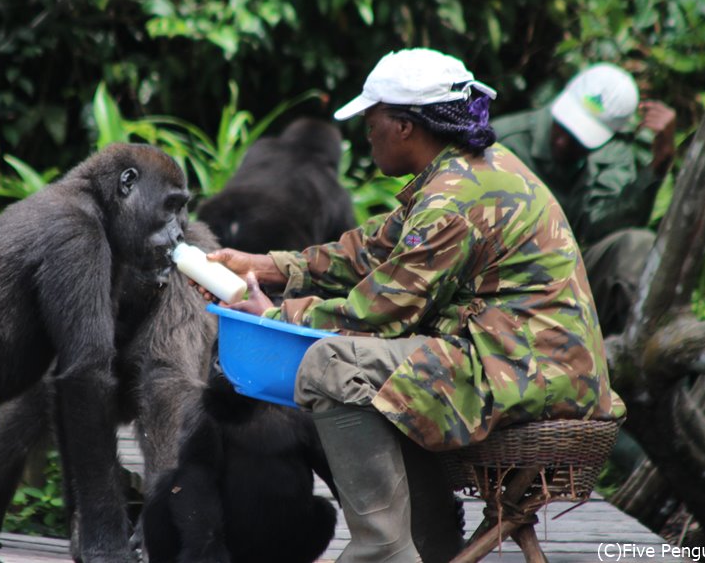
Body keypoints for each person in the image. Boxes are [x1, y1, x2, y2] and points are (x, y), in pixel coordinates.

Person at [200, 48, 625, 563]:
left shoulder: (452, 200)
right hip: (531, 365)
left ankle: (384, 550)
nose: (367, 132)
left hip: (528, 375)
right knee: (381, 367)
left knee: (332, 365)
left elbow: (376, 314)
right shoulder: (473, 171)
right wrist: (267, 265)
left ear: (404, 126)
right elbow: (369, 251)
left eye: (372, 119)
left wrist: (270, 315)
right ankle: (430, 542)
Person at [493, 64, 677, 335]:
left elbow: (603, 226)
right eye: (564, 127)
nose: (565, 142)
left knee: (637, 245)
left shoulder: (612, 156)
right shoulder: (503, 142)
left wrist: (656, 169)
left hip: (568, 273)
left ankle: (636, 354)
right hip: (504, 275)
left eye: (581, 137)